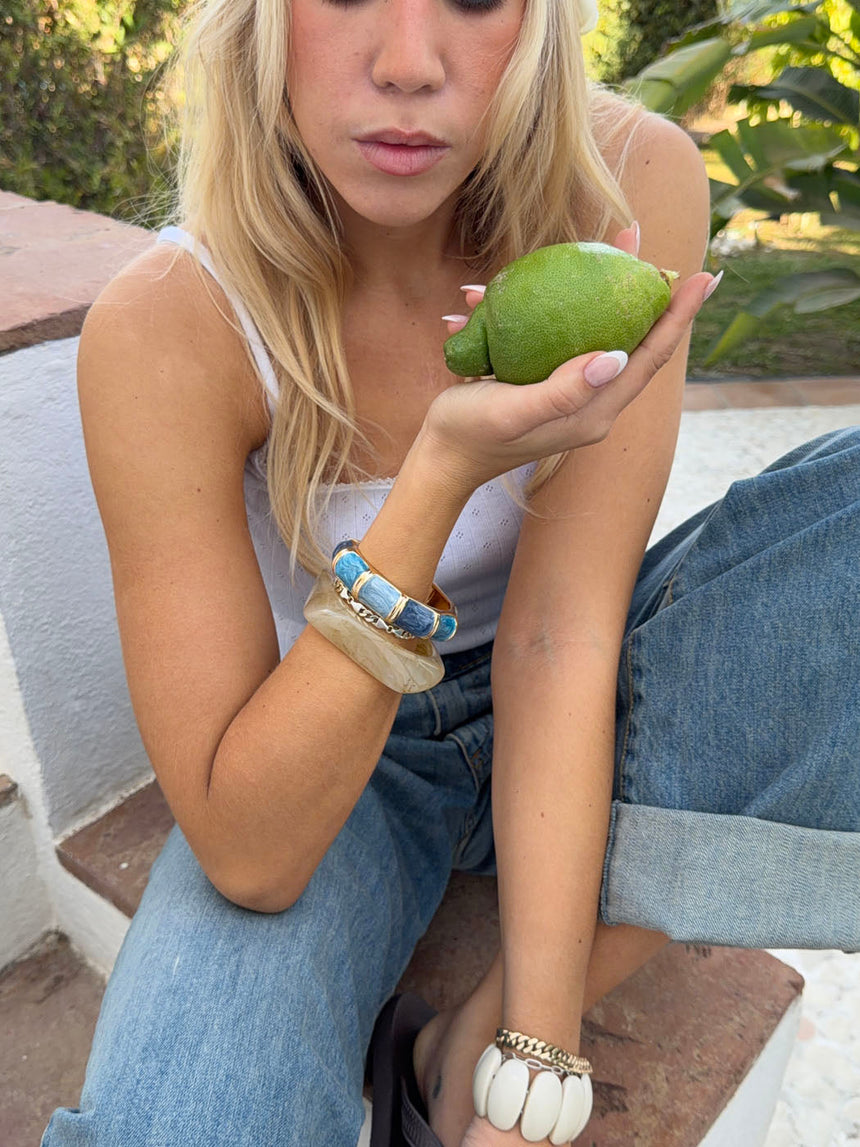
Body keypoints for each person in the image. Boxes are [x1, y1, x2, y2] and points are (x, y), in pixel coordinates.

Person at [41, 0, 859, 1141]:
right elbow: (251, 851)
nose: (409, 65)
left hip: (605, 686)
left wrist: (534, 1032)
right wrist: (439, 470)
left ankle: (460, 1029)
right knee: (181, 1118)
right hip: (342, 750)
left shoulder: (624, 184)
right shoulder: (173, 321)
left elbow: (561, 630)